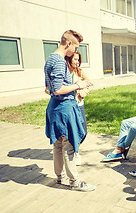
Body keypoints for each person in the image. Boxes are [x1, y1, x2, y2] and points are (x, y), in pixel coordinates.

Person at [45, 30, 95, 192]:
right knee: (70, 145)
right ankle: (75, 182)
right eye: (76, 47)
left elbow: (48, 89)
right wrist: (78, 85)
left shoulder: (50, 58)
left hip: (54, 108)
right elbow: (58, 89)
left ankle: (60, 177)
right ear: (68, 44)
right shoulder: (59, 61)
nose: (75, 51)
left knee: (58, 145)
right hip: (65, 109)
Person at [65, 50, 93, 166]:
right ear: (69, 59)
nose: (77, 62)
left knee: (83, 131)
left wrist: (83, 92)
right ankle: (75, 153)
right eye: (75, 59)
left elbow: (90, 84)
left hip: (79, 105)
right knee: (73, 131)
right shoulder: (65, 73)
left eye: (78, 60)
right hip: (69, 106)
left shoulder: (79, 72)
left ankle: (75, 148)